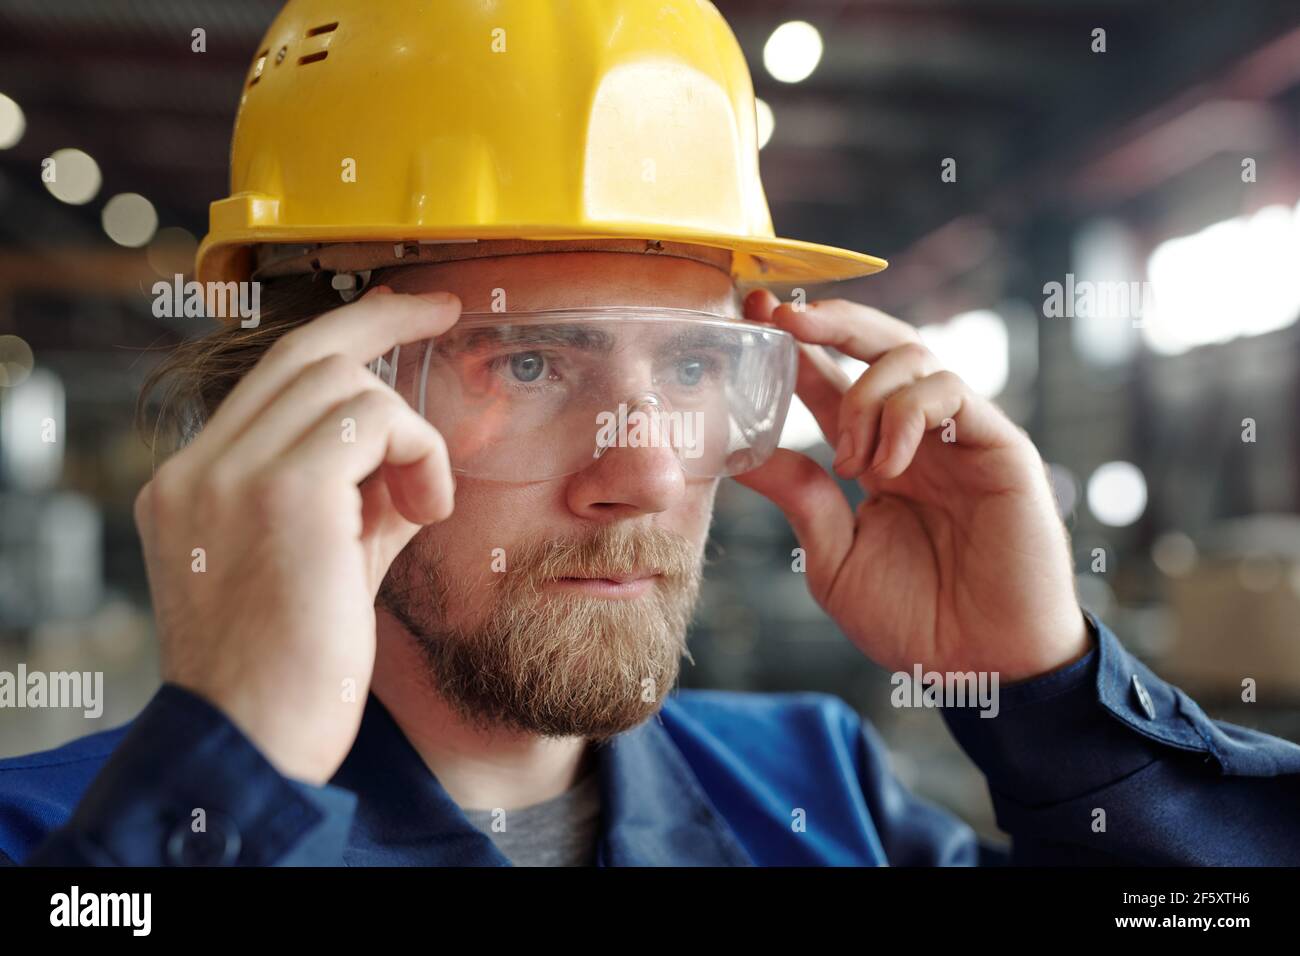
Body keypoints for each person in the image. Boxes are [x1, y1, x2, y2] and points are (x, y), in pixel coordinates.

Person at [3, 0, 1298, 867]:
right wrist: (220, 790)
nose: (649, 470)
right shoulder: (64, 840)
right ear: (293, 399)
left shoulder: (818, 795)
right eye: (524, 358)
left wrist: (1052, 702)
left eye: (695, 364)